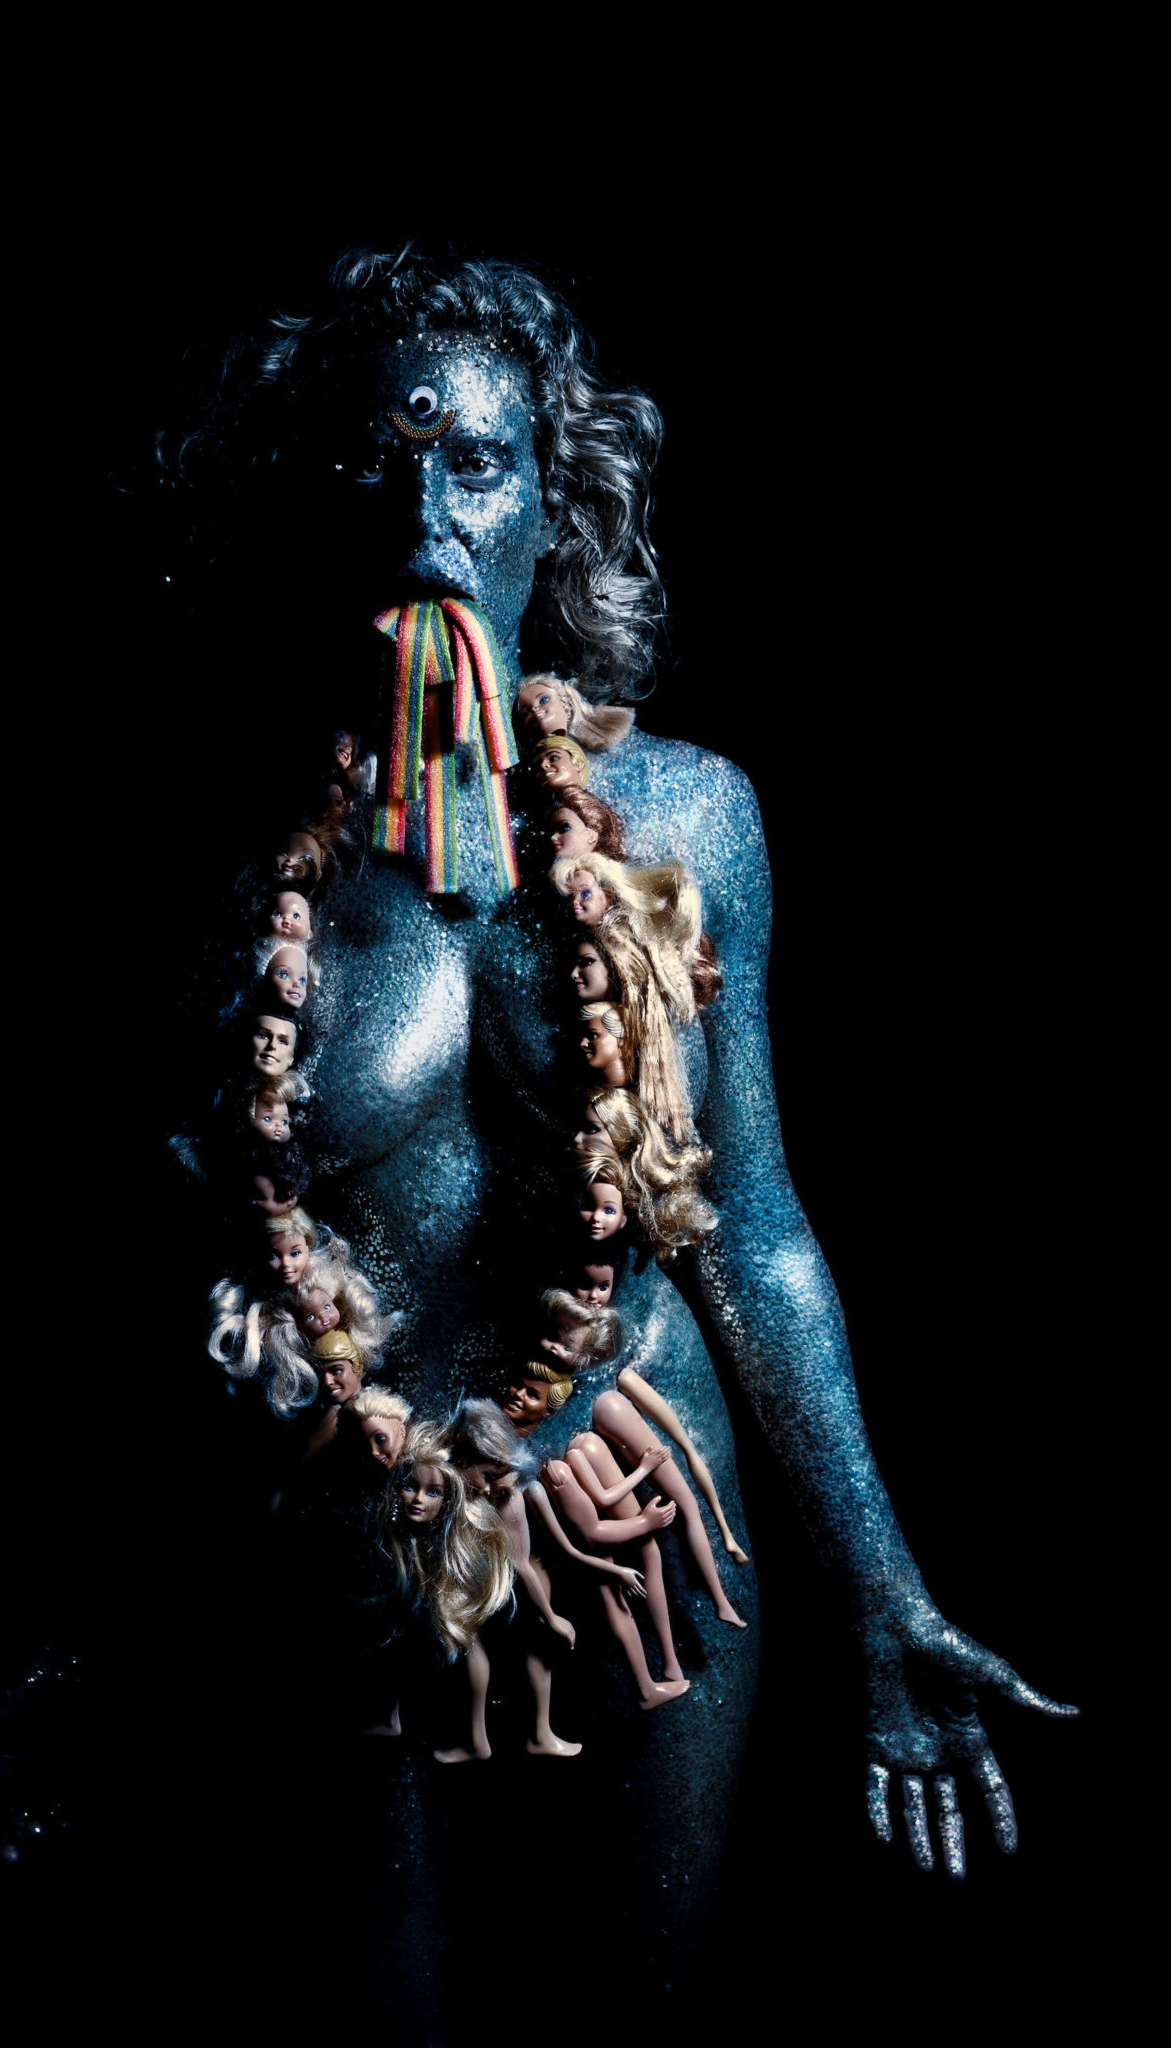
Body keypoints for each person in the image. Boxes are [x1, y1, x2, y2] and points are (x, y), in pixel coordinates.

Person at [159, 245, 1073, 1979]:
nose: (426, 519)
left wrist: (883, 1592)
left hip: (644, 1516)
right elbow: (147, 1268)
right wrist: (77, 1649)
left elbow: (757, 1232)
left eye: (476, 466)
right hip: (342, 1543)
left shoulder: (688, 820)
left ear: (548, 508)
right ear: (309, 505)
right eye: (377, 467)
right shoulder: (230, 872)